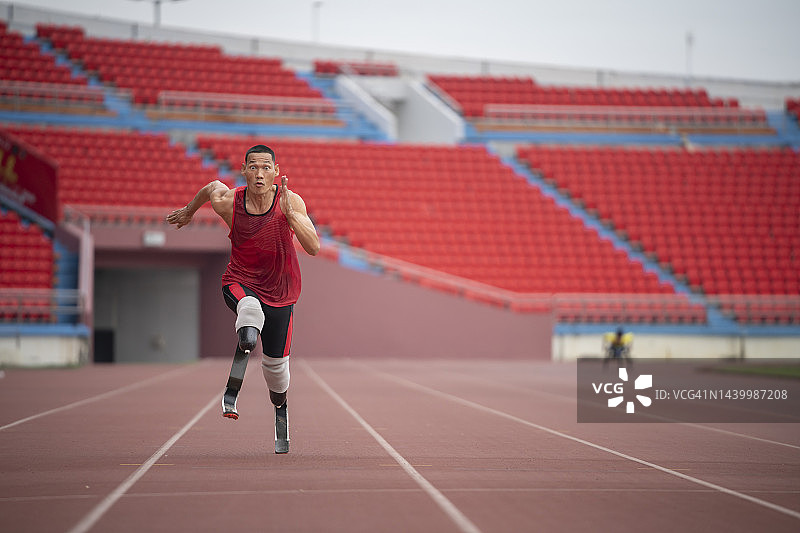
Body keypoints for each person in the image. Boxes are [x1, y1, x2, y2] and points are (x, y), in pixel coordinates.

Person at [166, 144, 320, 453]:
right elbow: (211, 188)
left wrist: (293, 218)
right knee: (250, 315)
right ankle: (240, 361)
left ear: (276, 172)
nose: (260, 174)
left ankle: (280, 409)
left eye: (266, 167)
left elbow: (314, 247)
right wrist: (188, 211)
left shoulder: (290, 201)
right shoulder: (229, 202)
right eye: (253, 167)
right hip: (240, 281)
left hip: (281, 291)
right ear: (244, 170)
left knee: (277, 372)